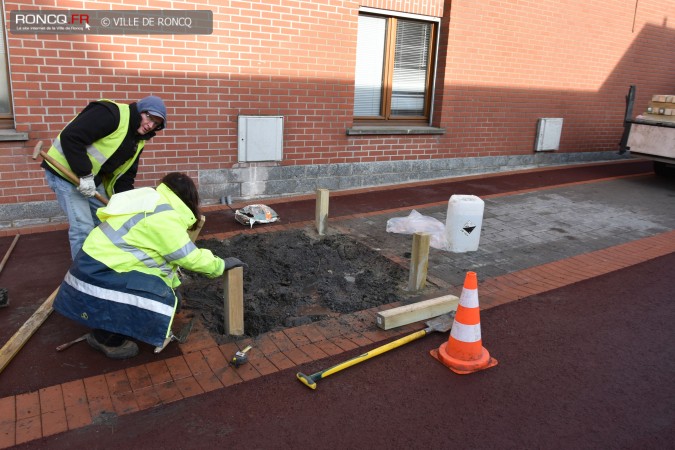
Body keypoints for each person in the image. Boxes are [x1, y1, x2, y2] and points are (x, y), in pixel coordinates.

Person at [53, 172, 247, 359]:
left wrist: (173, 287)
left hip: (91, 268)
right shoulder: (165, 218)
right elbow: (189, 257)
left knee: (169, 296)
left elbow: (159, 260)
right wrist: (220, 265)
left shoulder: (151, 201)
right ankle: (105, 338)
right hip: (100, 275)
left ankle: (112, 323)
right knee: (158, 298)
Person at [43, 95, 167, 259]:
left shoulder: (138, 141)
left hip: (91, 179)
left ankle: (103, 263)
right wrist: (85, 174)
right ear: (140, 111)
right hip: (66, 172)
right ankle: (82, 276)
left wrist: (126, 205)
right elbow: (71, 137)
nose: (150, 125)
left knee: (108, 223)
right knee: (83, 227)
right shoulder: (111, 114)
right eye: (149, 117)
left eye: (157, 123)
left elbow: (125, 176)